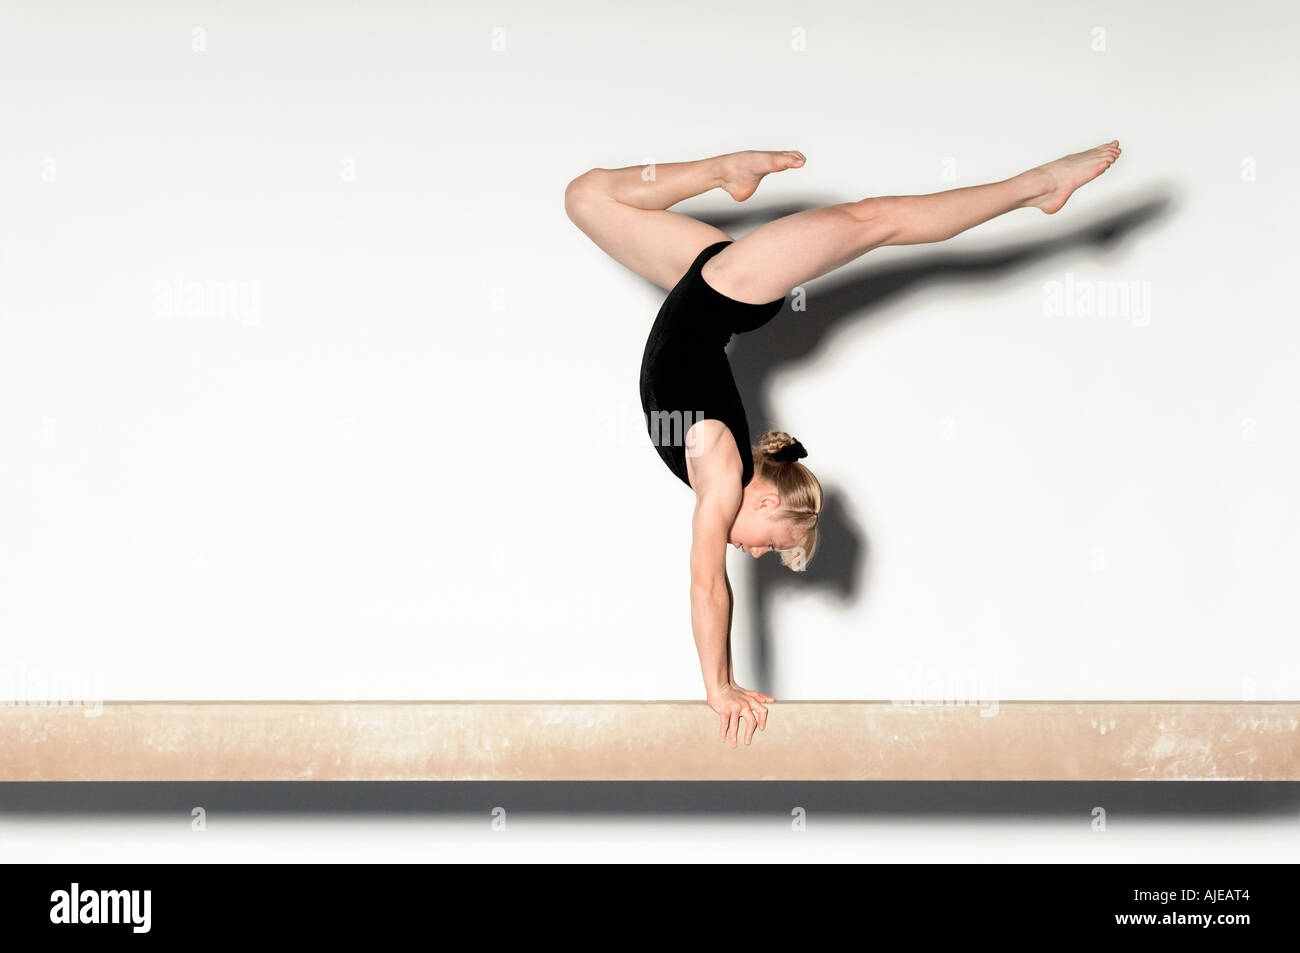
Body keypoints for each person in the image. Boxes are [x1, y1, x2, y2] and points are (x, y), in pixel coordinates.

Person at [564, 141, 1122, 746]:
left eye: (767, 554)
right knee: (878, 219)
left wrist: (719, 686)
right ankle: (1037, 187)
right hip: (728, 286)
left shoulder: (717, 475)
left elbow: (705, 578)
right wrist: (720, 684)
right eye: (774, 548)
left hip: (701, 286)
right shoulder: (722, 476)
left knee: (586, 197)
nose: (756, 556)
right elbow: (709, 583)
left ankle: (726, 174)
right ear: (769, 504)